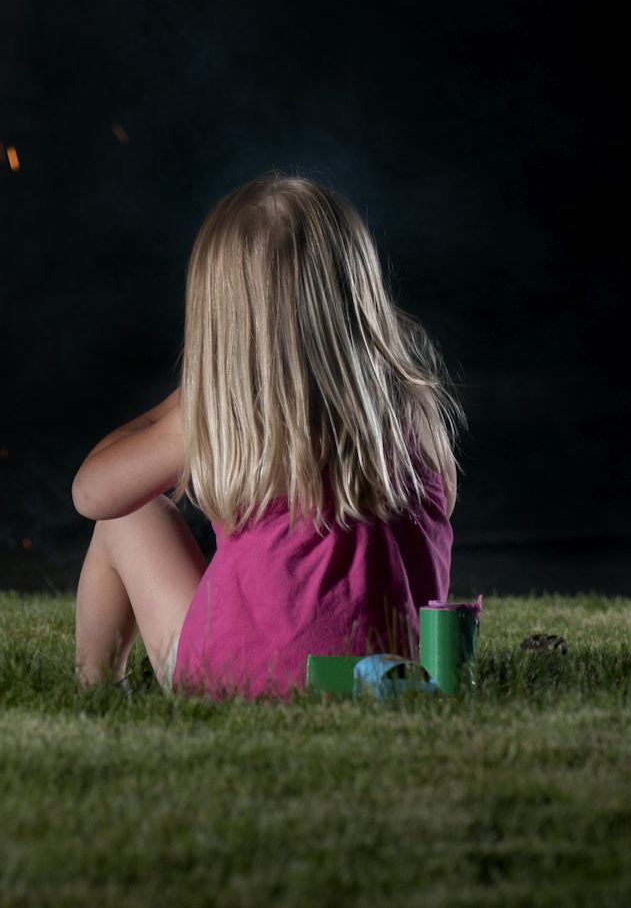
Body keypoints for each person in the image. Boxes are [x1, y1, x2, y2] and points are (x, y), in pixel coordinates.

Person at [71, 172, 464, 699]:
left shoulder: (227, 413)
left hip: (243, 681)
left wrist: (191, 398)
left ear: (220, 317)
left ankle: (97, 692)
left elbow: (91, 493)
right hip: (390, 680)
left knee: (129, 518)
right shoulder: (415, 410)